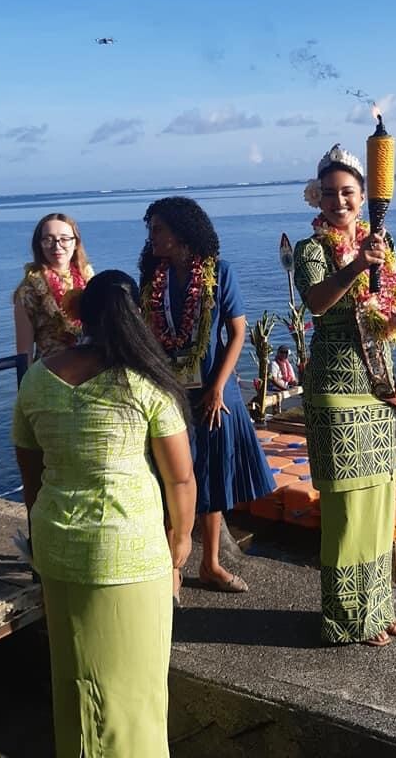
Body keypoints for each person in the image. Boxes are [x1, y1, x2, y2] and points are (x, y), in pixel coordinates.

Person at [11, 270, 196, 756]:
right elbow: (180, 477)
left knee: (75, 681)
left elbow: (32, 472)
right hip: (128, 553)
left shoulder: (37, 379)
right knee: (132, 691)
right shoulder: (145, 382)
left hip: (56, 545)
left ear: (81, 315)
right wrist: (180, 546)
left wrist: (42, 533)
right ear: (138, 317)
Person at [294, 142, 396, 648]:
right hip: (335, 388)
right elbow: (318, 304)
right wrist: (354, 266)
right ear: (317, 200)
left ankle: (379, 608)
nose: (338, 202)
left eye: (347, 193)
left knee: (379, 504)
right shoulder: (312, 251)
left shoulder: (381, 242)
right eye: (329, 194)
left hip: (377, 386)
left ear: (364, 196)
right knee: (347, 513)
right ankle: (346, 620)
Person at [139, 196, 274, 593]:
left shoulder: (219, 273)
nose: (152, 237)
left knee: (212, 478)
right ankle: (171, 566)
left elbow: (237, 333)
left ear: (181, 231)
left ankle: (210, 564)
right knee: (170, 478)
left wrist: (217, 387)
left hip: (214, 392)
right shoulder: (153, 279)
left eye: (158, 229)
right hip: (169, 393)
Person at [13, 213, 94, 363]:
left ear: (75, 243)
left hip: (89, 370)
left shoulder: (90, 281)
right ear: (39, 245)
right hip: (51, 375)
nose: (57, 246)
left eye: (64, 239)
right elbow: (25, 355)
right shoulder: (28, 292)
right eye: (48, 239)